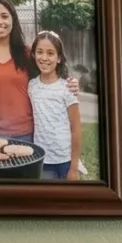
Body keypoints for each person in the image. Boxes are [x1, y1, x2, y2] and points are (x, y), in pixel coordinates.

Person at [0, 0, 39, 142]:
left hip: (25, 132)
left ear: (13, 19)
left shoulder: (26, 52)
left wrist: (70, 84)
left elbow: (48, 78)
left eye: (4, 16)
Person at [28, 30, 83, 179]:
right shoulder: (31, 86)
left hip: (65, 160)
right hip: (43, 159)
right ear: (33, 55)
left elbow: (76, 129)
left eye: (50, 53)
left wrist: (74, 167)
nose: (44, 58)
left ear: (59, 58)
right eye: (40, 52)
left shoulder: (67, 88)